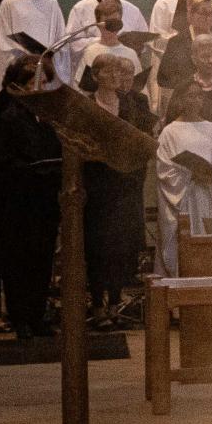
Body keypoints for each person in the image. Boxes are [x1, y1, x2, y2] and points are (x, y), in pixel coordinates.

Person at [0, 55, 61, 338]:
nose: (43, 88)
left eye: (46, 82)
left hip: (44, 200)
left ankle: (36, 314)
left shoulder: (44, 116)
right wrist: (31, 170)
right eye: (38, 82)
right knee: (18, 260)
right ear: (20, 84)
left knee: (42, 259)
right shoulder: (9, 114)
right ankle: (20, 315)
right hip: (17, 201)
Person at [81, 53, 154, 323]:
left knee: (120, 246)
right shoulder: (88, 104)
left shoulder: (130, 103)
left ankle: (114, 302)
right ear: (96, 75)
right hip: (98, 185)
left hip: (124, 184)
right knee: (98, 246)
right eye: (108, 71)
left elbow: (139, 137)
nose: (114, 75)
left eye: (116, 70)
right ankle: (97, 303)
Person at [155, 83, 212, 276]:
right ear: (180, 100)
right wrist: (190, 174)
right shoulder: (169, 132)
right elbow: (164, 168)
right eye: (190, 96)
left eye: (199, 96)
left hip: (208, 197)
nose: (195, 100)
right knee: (185, 248)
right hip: (184, 200)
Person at [61, 0, 151, 84]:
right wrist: (103, 41)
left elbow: (144, 44)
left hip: (123, 77)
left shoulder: (133, 10)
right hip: (92, 76)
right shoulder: (81, 8)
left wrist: (135, 45)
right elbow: (71, 44)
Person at [147, 0, 206, 110]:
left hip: (201, 72)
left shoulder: (210, 3)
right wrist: (185, 39)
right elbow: (155, 41)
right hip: (171, 72)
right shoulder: (164, 3)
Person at [166, 32, 212, 134]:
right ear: (194, 59)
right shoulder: (183, 88)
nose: (210, 60)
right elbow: (171, 126)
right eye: (205, 56)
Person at [157, 0, 212, 95]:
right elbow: (163, 78)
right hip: (186, 100)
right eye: (203, 13)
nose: (208, 18)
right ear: (190, 15)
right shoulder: (176, 42)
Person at [70, 0, 143, 89]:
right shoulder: (90, 52)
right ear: (98, 24)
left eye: (115, 22)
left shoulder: (130, 54)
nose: (112, 27)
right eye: (108, 22)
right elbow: (79, 88)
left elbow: (140, 89)